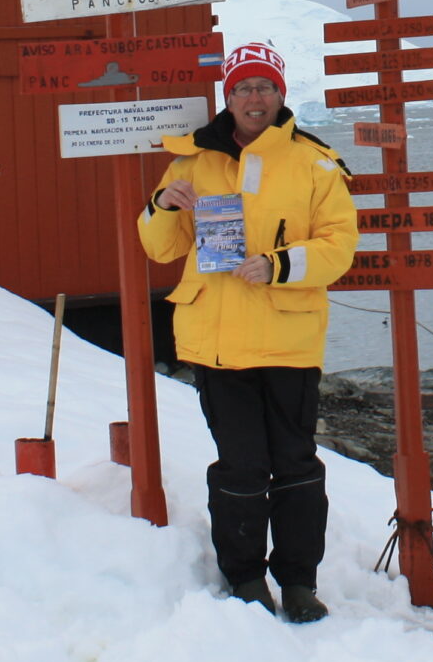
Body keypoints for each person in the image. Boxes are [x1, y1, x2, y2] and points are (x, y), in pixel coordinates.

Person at [138, 41, 356, 622]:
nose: (254, 98)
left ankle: (300, 583)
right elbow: (160, 247)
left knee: (296, 464)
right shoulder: (191, 162)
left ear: (281, 95)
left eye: (264, 87)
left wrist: (278, 265)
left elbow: (340, 247)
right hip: (218, 340)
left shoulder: (316, 162)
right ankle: (244, 579)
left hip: (289, 340)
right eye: (243, 88)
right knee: (239, 466)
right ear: (227, 96)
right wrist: (162, 203)